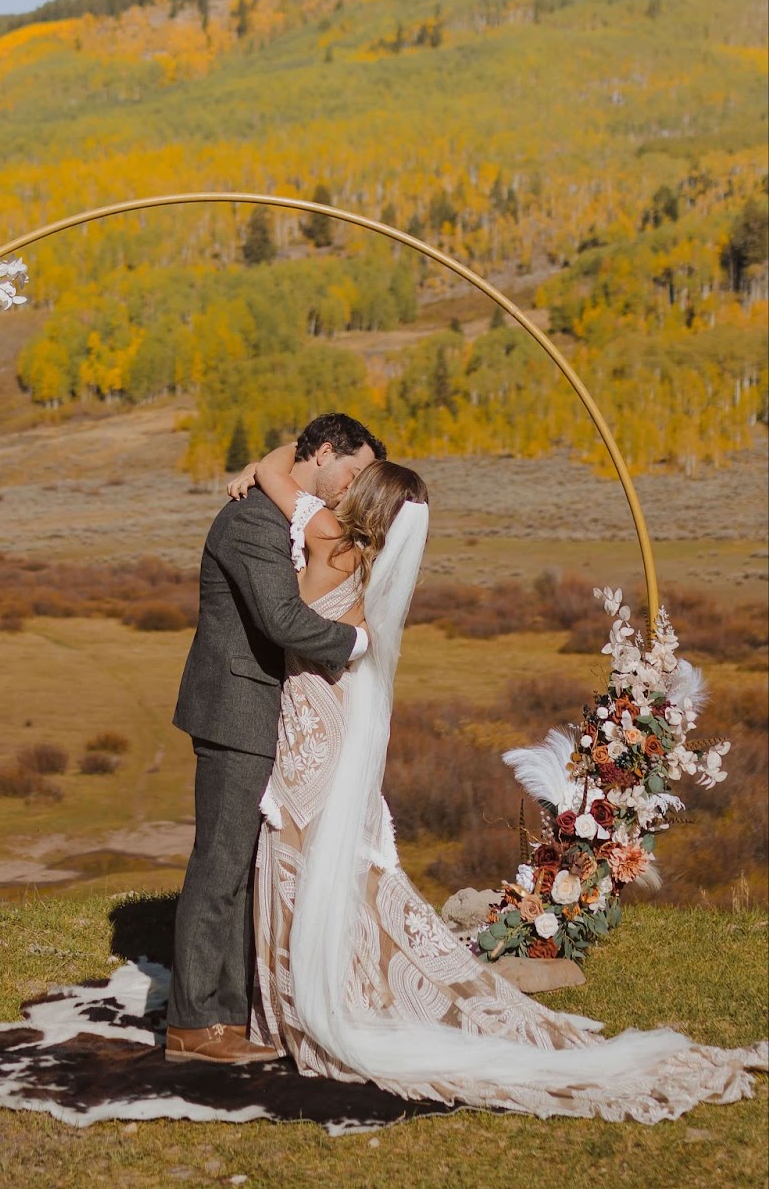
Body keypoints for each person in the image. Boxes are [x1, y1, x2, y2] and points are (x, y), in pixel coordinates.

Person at [222, 442, 767, 1122]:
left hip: (307, 724)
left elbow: (278, 470)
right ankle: (334, 983)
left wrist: (265, 460)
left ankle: (298, 1005)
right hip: (333, 721)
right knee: (321, 854)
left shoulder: (324, 534)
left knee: (295, 848)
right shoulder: (369, 564)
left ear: (362, 502)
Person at [165, 412, 386, 1064]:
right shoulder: (253, 521)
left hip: (264, 709)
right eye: (351, 472)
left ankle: (230, 1014)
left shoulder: (284, 508)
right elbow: (282, 619)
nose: (353, 488)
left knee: (242, 867)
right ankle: (196, 1025)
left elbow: (297, 471)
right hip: (237, 707)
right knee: (221, 864)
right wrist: (361, 643)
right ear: (322, 454)